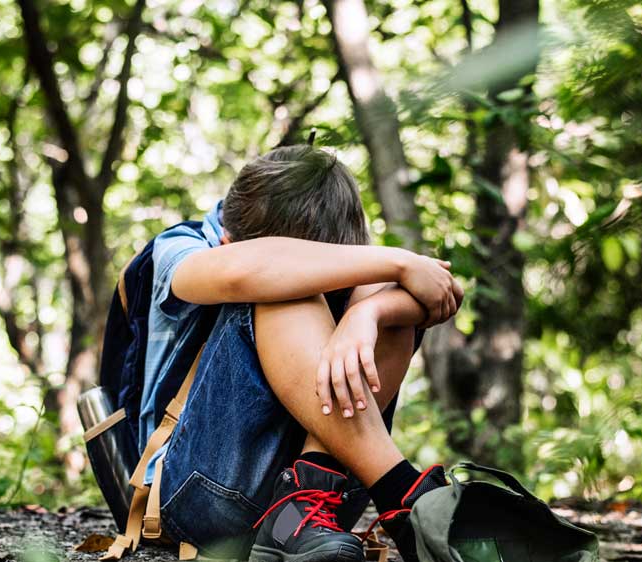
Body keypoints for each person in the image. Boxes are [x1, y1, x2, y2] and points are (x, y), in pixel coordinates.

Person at [143, 145, 463, 562]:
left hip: (322, 512)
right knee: (280, 289)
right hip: (205, 493)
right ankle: (400, 492)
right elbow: (244, 271)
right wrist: (401, 261)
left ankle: (307, 490)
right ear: (226, 239)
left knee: (381, 293)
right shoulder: (182, 245)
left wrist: (369, 311)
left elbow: (442, 292)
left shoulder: (363, 276)